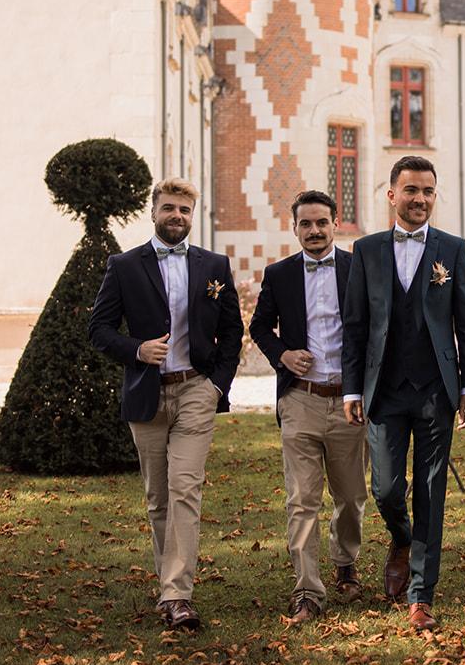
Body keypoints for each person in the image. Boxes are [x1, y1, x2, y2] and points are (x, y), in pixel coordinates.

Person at [88, 178, 242, 630]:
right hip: (147, 391)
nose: (177, 216)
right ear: (153, 211)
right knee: (159, 497)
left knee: (185, 489)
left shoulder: (215, 264)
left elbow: (233, 331)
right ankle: (170, 584)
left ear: (193, 216)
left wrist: (217, 385)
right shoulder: (125, 265)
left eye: (185, 210)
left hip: (197, 388)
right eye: (170, 208)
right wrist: (137, 349)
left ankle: (177, 594)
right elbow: (98, 330)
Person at [341, 155, 465, 633]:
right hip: (383, 390)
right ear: (391, 194)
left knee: (429, 491)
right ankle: (401, 538)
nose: (419, 199)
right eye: (411, 191)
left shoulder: (454, 249)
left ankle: (421, 594)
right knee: (384, 488)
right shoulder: (366, 250)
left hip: (436, 392)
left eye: (427, 191)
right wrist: (350, 387)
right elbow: (356, 326)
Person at [249, 189, 367, 623]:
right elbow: (259, 326)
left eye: (322, 223)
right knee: (302, 499)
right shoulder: (278, 275)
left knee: (352, 496)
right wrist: (282, 354)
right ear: (294, 227)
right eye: (305, 224)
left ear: (336, 223)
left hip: (349, 402)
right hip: (300, 399)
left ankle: (345, 563)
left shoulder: (359, 269)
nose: (314, 231)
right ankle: (307, 591)